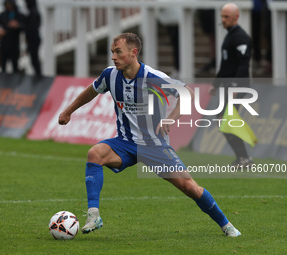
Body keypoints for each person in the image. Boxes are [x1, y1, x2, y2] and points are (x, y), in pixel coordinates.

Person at [58, 32, 241, 237]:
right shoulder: (109, 75)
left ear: (133, 52)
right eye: (112, 52)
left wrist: (171, 118)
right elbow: (91, 91)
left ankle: (226, 225)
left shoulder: (152, 77)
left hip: (154, 145)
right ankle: (93, 214)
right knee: (95, 153)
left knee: (190, 187)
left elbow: (187, 92)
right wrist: (68, 111)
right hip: (124, 142)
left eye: (118, 52)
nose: (113, 57)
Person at [209, 3, 253, 166]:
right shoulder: (230, 35)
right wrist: (216, 84)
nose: (223, 20)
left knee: (225, 119)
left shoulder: (240, 37)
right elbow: (226, 65)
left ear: (236, 17)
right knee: (223, 119)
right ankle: (243, 157)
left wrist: (236, 87)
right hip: (228, 85)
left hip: (236, 85)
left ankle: (244, 157)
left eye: (226, 16)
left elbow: (243, 64)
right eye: (222, 16)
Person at [0, 0, 25, 73]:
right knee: (3, 68)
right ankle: (3, 83)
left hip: (15, 46)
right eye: (7, 5)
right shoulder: (2, 15)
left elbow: (27, 27)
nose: (9, 7)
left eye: (10, 5)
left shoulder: (19, 15)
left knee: (15, 68)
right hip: (4, 46)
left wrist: (18, 25)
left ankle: (15, 83)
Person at [24, 0, 42, 76]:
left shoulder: (34, 13)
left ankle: (39, 76)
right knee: (34, 60)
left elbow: (31, 28)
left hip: (34, 39)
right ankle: (38, 75)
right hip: (33, 39)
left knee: (34, 60)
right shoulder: (33, 12)